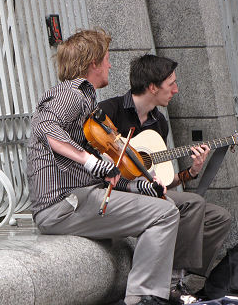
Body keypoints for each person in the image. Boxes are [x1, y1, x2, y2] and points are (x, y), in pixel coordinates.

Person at [27, 29, 226, 305]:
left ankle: (151, 292)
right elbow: (45, 126)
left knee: (167, 208)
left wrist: (136, 184)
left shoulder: (87, 99)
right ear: (93, 63)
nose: (110, 65)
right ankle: (143, 297)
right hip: (62, 205)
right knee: (165, 214)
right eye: (106, 59)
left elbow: (102, 175)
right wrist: (91, 161)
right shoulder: (72, 92)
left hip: (78, 199)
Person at [98, 54, 231, 302]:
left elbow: (162, 181)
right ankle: (171, 282)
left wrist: (191, 172)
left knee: (219, 217)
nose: (176, 90)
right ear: (152, 87)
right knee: (193, 203)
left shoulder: (159, 122)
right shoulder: (110, 112)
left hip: (149, 192)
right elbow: (96, 160)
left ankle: (180, 277)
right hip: (116, 191)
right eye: (171, 84)